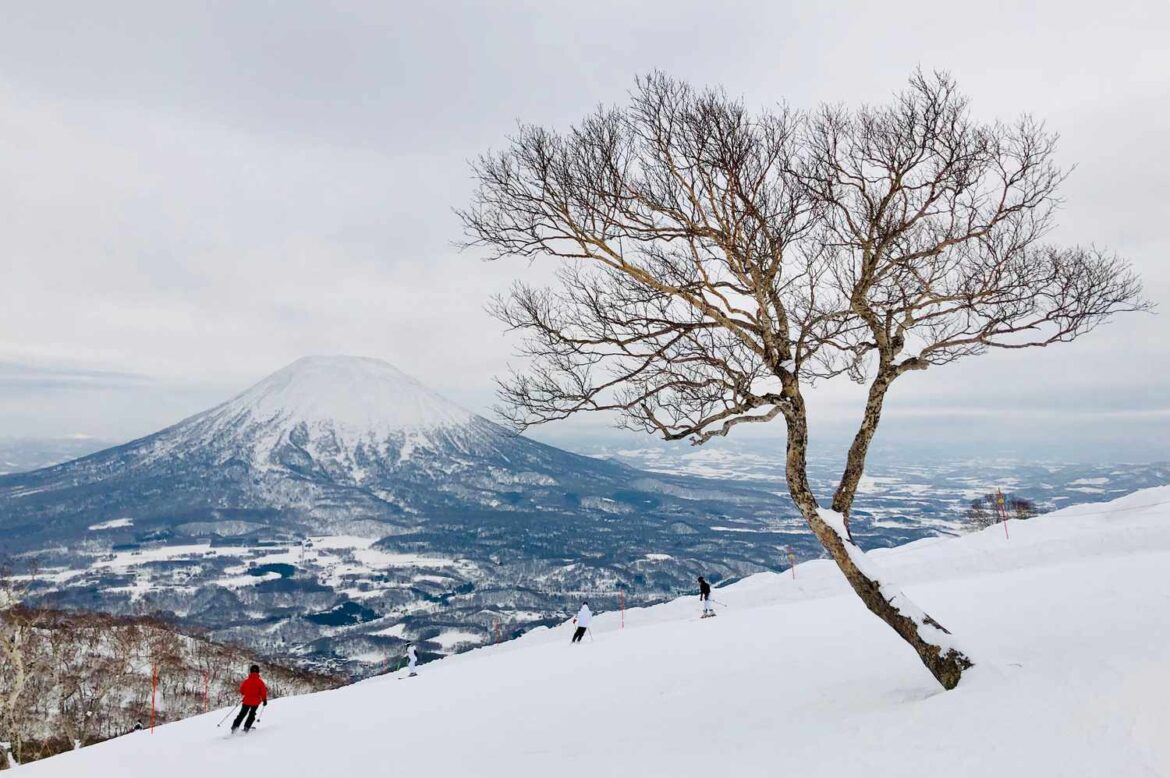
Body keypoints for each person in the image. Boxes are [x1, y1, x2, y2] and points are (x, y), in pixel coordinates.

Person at [231, 664, 268, 734]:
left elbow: (242, 691)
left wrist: (247, 694)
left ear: (250, 672)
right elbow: (263, 692)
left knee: (242, 714)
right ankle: (246, 727)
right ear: (258, 672)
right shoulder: (260, 682)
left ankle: (235, 727)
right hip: (255, 702)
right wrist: (264, 700)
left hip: (246, 701)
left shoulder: (246, 681)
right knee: (252, 714)